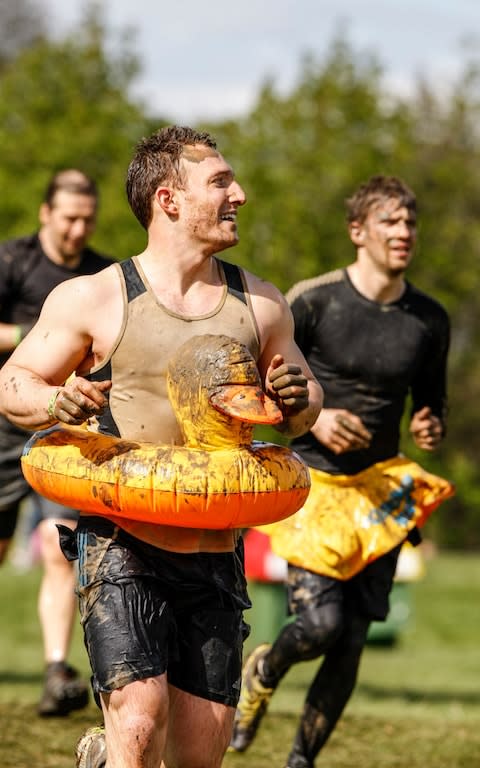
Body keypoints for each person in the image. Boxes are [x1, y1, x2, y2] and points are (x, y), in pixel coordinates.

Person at [0, 125, 323, 768]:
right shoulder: (95, 296)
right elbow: (13, 383)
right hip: (123, 544)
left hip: (213, 554)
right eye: (221, 182)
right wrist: (55, 402)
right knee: (140, 721)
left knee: (199, 758)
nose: (241, 195)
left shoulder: (260, 302)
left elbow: (304, 403)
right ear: (169, 199)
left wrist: (295, 402)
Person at [229, 175, 451, 767]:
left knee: (352, 639)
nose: (404, 233)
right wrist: (314, 421)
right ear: (358, 231)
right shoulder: (313, 299)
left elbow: (432, 401)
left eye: (409, 223)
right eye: (390, 222)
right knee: (322, 623)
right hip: (314, 483)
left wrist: (433, 424)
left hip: (379, 490)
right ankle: (266, 668)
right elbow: (257, 389)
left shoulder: (429, 318)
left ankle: (301, 760)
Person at [0, 169, 114, 716]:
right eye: (69, 217)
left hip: (67, 432)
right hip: (6, 421)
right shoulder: (11, 261)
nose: (78, 228)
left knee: (56, 546)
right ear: (46, 213)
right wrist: (29, 338)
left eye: (87, 219)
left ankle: (54, 672)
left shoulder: (103, 276)